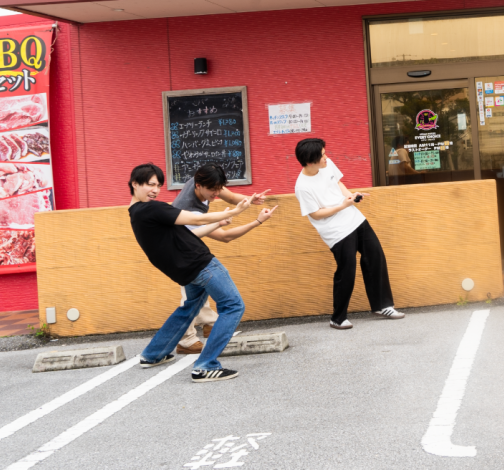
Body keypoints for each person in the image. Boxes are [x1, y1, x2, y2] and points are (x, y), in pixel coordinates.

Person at [127, 163, 262, 382]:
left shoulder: (136, 214)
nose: (155, 190)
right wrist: (235, 211)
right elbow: (195, 218)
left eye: (158, 185)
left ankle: (153, 354)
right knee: (233, 306)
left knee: (190, 307)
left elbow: (190, 234)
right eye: (150, 185)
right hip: (201, 263)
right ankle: (205, 366)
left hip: (185, 270)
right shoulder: (153, 209)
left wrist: (219, 221)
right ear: (135, 184)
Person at [293, 138, 404, 328]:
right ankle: (338, 318)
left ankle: (382, 306)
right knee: (347, 270)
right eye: (322, 155)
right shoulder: (302, 187)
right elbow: (315, 214)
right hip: (336, 231)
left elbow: (338, 183)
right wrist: (342, 205)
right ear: (310, 161)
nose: (326, 157)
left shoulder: (327, 165)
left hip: (355, 219)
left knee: (375, 256)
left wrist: (350, 196)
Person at [171, 164, 273, 355]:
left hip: (190, 243)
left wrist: (251, 199)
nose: (216, 194)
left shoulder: (202, 180)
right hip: (177, 249)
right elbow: (225, 237)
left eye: (219, 188)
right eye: (213, 190)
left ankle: (210, 323)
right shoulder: (190, 213)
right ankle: (185, 339)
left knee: (199, 285)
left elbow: (232, 197)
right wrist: (258, 221)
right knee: (190, 292)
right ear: (199, 185)